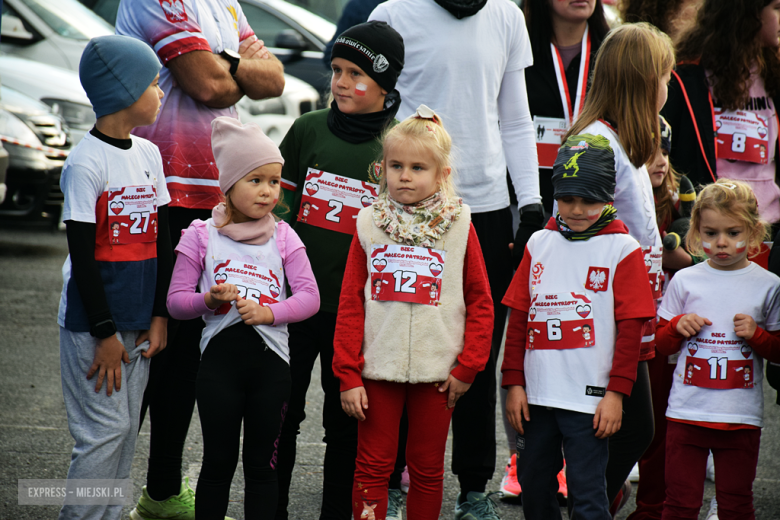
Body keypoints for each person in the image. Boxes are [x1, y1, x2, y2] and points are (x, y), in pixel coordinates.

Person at [368, 1, 542, 514]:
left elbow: (515, 118)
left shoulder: (507, 15)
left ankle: (472, 485)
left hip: (484, 205)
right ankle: (396, 478)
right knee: (401, 336)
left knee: (476, 348)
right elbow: (376, 110)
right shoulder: (394, 11)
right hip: (407, 205)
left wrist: (529, 201)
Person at [115, 2, 285, 518]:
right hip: (154, 194)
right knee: (141, 349)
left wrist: (221, 61)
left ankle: (162, 493)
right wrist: (238, 65)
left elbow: (273, 79)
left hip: (209, 199)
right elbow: (208, 85)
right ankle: (94, 498)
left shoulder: (224, 2)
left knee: (187, 356)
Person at [333, 106, 494, 520]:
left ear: (441, 173)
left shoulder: (460, 225)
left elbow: (480, 300)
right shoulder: (368, 223)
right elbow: (351, 300)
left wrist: (467, 367)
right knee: (371, 466)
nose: (405, 175)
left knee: (426, 470)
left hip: (439, 375)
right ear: (381, 167)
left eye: (418, 167)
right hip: (376, 370)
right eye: (396, 165)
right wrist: (348, 373)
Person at [273, 21, 405, 520]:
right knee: (280, 416)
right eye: (336, 70)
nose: (342, 82)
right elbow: (276, 207)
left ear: (386, 85)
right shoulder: (306, 130)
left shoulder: (399, 147)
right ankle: (271, 508)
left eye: (356, 73)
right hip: (293, 305)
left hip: (359, 314)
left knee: (345, 421)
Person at [164, 117, 319, 519]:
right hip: (219, 368)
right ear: (229, 185)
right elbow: (176, 303)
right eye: (256, 180)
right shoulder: (200, 235)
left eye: (274, 181)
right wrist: (208, 300)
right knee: (217, 466)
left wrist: (270, 312)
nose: (268, 191)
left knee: (262, 470)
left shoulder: (285, 235)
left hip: (272, 369)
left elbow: (309, 298)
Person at [503, 134, 656, 520]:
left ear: (608, 197)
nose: (576, 209)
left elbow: (632, 329)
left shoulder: (624, 250)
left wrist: (617, 395)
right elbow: (519, 317)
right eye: (567, 198)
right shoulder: (538, 242)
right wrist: (514, 382)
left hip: (589, 404)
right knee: (534, 487)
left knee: (588, 497)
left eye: (588, 200)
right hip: (536, 398)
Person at [57, 34, 172, 520]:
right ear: (124, 92)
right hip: (94, 326)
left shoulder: (148, 155)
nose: (161, 91)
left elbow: (163, 243)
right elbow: (82, 257)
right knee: (102, 432)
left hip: (138, 320)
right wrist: (103, 332)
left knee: (124, 431)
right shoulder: (86, 162)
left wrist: (160, 314)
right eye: (152, 82)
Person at [563, 22, 675, 513]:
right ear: (643, 81)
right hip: (606, 313)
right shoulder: (597, 144)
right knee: (629, 430)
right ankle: (590, 502)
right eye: (665, 76)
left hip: (633, 310)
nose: (668, 87)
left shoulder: (624, 140)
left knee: (632, 431)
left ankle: (595, 498)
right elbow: (575, 230)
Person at [654, 179, 780, 520]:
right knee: (679, 504)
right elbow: (659, 345)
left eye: (733, 232)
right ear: (696, 231)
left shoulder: (768, 284)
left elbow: (778, 353)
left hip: (739, 418)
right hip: (686, 414)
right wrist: (676, 327)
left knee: (736, 505)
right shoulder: (685, 280)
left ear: (754, 232)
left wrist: (756, 335)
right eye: (710, 233)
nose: (721, 243)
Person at [627, 115, 695, 520]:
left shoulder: (681, 192)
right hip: (621, 319)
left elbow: (687, 254)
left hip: (668, 324)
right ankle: (606, 491)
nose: (660, 161)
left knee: (658, 424)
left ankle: (651, 507)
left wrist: (657, 244)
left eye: (665, 151)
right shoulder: (618, 188)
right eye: (650, 152)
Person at [661, 0, 780, 233]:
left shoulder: (773, 75)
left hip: (770, 230)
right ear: (748, 14)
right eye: (776, 8)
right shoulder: (686, 79)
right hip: (713, 236)